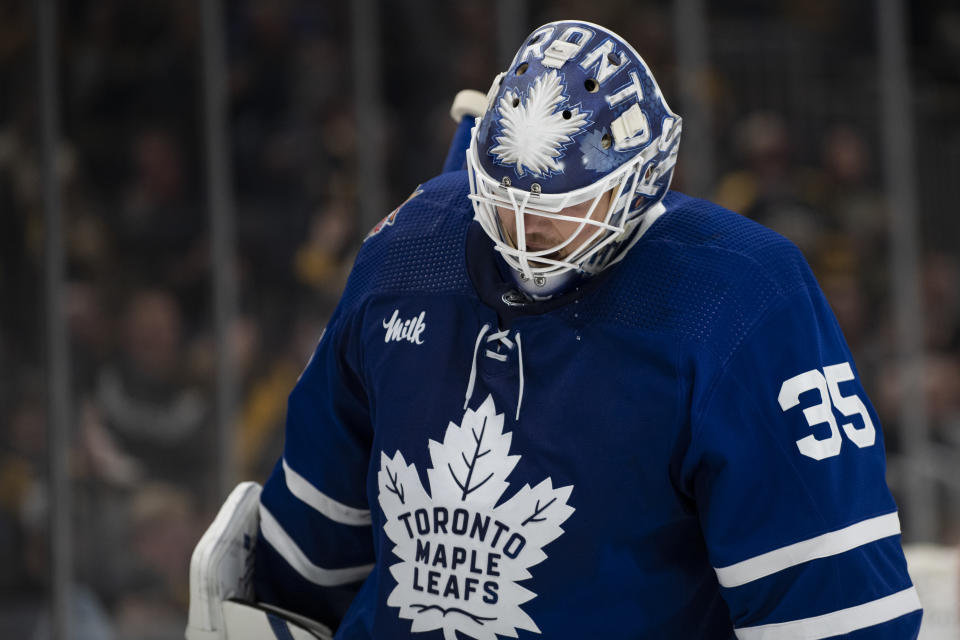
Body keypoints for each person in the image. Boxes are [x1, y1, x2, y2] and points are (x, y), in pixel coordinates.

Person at [245, 20, 922, 639]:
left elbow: (836, 614)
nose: (526, 229)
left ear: (642, 178)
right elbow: (302, 560)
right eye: (508, 198)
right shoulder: (409, 248)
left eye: (561, 203)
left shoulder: (740, 297)